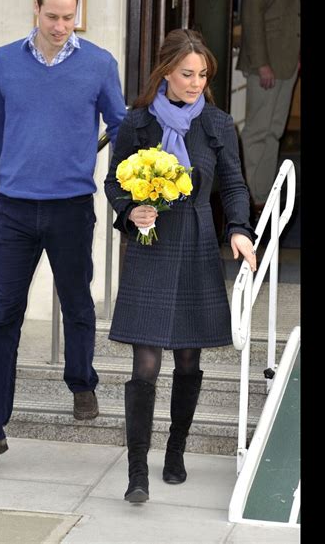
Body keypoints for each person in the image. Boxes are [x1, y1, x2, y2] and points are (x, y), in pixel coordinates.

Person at [0, 0, 126, 472]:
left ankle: (81, 382)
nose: (61, 26)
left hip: (71, 206)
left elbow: (122, 125)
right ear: (35, 9)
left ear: (77, 12)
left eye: (68, 17)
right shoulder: (4, 61)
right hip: (13, 208)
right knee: (4, 318)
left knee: (78, 303)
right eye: (52, 16)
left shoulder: (100, 64)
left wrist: (132, 185)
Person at [104, 29, 257, 503]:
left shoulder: (217, 123)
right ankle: (136, 473)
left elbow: (233, 185)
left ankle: (175, 451)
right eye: (187, 74)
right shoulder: (135, 123)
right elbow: (114, 183)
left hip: (194, 244)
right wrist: (131, 210)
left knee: (188, 358)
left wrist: (238, 228)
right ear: (166, 72)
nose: (195, 82)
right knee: (145, 364)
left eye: (203, 75)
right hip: (150, 246)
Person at [237, 0, 300, 216]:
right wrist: (262, 63)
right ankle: (249, 199)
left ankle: (263, 195)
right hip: (266, 66)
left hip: (287, 62)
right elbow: (251, 15)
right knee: (258, 132)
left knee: (274, 132)